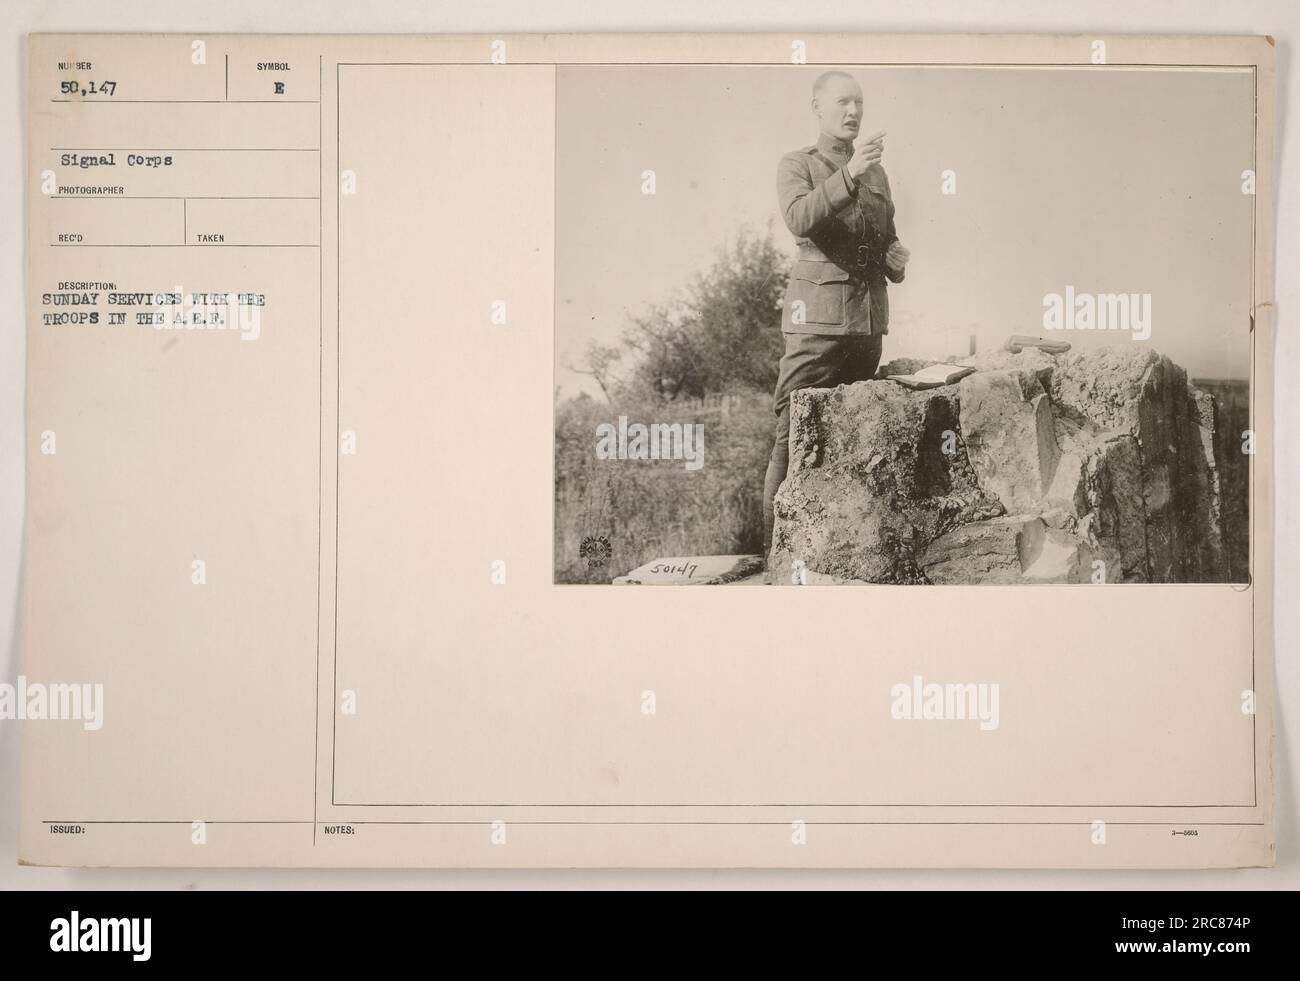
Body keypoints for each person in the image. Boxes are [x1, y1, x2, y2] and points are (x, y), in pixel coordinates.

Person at [762, 70, 910, 569]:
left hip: (866, 327)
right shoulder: (796, 164)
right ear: (818, 108)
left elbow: (885, 236)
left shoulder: (878, 174)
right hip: (816, 325)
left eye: (860, 103)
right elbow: (800, 218)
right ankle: (774, 564)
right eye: (843, 102)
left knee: (852, 444)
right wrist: (848, 176)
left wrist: (895, 257)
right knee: (793, 436)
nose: (853, 112)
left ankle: (836, 562)